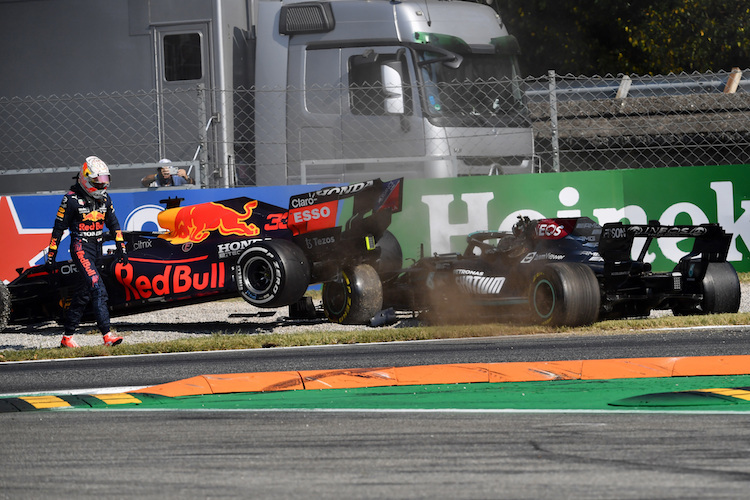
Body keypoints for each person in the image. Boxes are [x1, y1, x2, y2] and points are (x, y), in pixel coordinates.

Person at [46, 156, 127, 348]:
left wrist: (121, 247)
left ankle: (67, 338)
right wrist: (51, 256)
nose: (101, 185)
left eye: (105, 181)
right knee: (98, 289)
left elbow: (114, 224)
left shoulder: (106, 198)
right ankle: (107, 336)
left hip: (97, 249)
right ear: (86, 179)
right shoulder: (70, 199)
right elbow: (58, 229)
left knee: (83, 295)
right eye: (97, 181)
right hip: (80, 248)